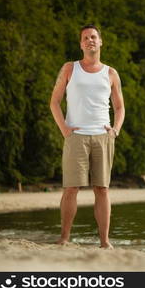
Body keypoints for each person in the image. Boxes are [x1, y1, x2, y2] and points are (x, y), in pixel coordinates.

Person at [50, 24, 125, 249]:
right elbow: (54, 102)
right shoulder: (69, 69)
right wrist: (64, 129)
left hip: (103, 136)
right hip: (76, 136)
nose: (90, 40)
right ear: (81, 44)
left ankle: (105, 242)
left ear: (100, 42)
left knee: (102, 189)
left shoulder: (111, 73)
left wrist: (115, 130)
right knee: (71, 188)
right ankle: (64, 238)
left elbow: (120, 107)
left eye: (93, 37)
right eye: (85, 38)